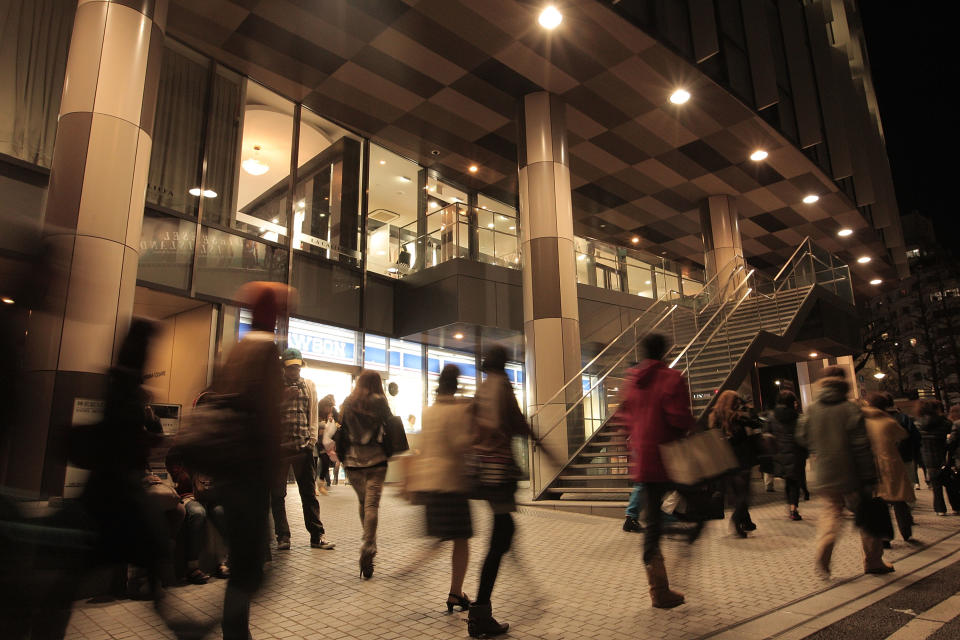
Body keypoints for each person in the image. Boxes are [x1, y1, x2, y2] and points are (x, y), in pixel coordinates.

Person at [211, 281, 286, 640]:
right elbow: (269, 418)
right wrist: (275, 471)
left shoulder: (237, 351)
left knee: (246, 562)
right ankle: (233, 633)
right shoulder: (266, 353)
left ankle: (234, 631)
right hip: (251, 475)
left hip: (230, 473)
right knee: (249, 567)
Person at [468, 345, 543, 637]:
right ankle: (480, 612)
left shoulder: (483, 388)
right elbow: (516, 421)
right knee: (500, 538)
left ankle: (482, 608)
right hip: (499, 473)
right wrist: (542, 445)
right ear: (503, 364)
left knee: (505, 532)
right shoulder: (502, 386)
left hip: (485, 473)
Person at [619, 333, 694, 608]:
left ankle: (658, 587)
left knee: (652, 527)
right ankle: (678, 564)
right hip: (671, 458)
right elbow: (679, 418)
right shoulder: (671, 378)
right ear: (665, 351)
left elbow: (624, 420)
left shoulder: (632, 382)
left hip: (644, 461)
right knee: (697, 504)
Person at [796, 366, 892, 576]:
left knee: (831, 514)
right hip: (853, 473)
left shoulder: (812, 408)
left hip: (824, 471)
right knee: (867, 516)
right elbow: (860, 445)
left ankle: (824, 549)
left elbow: (802, 436)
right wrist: (869, 476)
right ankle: (873, 561)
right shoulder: (851, 408)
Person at [406, 364, 475, 613]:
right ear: (456, 385)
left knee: (444, 537)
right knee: (461, 539)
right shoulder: (457, 412)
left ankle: (453, 590)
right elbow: (460, 444)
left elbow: (423, 445)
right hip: (451, 483)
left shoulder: (429, 410)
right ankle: (454, 592)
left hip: (430, 482)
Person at [271, 348, 334, 550]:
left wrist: (312, 441)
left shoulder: (309, 385)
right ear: (284, 367)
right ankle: (283, 536)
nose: (294, 371)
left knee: (308, 493)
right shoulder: (275, 386)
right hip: (279, 449)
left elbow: (312, 414)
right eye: (291, 367)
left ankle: (317, 535)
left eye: (297, 366)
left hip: (303, 447)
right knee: (278, 494)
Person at [339, 370, 395, 579]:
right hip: (376, 460)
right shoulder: (380, 401)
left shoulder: (349, 401)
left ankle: (368, 539)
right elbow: (389, 424)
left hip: (352, 462)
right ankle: (368, 545)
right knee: (372, 505)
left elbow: (341, 427)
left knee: (363, 502)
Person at [863, 393, 916, 543]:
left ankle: (884, 537)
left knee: (880, 502)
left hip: (871, 465)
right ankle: (906, 531)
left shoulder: (863, 422)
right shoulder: (888, 421)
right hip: (891, 462)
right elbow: (903, 435)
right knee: (898, 499)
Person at [710, 390, 758, 538]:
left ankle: (746, 521)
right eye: (737, 401)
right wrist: (749, 409)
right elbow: (757, 423)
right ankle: (736, 521)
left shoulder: (714, 418)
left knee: (738, 494)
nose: (738, 404)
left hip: (725, 461)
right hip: (741, 459)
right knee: (744, 494)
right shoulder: (737, 417)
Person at [916, 399, 960, 515]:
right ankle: (956, 506)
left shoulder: (918, 424)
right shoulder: (945, 423)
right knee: (950, 483)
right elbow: (951, 441)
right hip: (944, 456)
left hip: (928, 457)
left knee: (936, 485)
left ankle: (940, 509)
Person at [767, 391, 806, 521]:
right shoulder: (796, 416)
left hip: (779, 452)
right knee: (794, 481)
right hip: (795, 452)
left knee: (788, 481)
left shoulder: (772, 416)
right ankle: (793, 508)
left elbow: (767, 433)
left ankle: (791, 507)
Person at [889, 396, 922, 490]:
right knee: (907, 483)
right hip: (906, 455)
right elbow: (916, 436)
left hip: (887, 457)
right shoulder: (904, 418)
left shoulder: (875, 420)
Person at [316, 395, 340, 495]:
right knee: (315, 462)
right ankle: (315, 486)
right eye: (328, 406)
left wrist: (335, 424)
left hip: (327, 440)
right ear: (324, 406)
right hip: (317, 440)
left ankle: (321, 484)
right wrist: (322, 425)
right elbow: (314, 422)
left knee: (325, 461)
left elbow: (339, 421)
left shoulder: (333, 410)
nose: (330, 409)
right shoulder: (318, 410)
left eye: (331, 407)